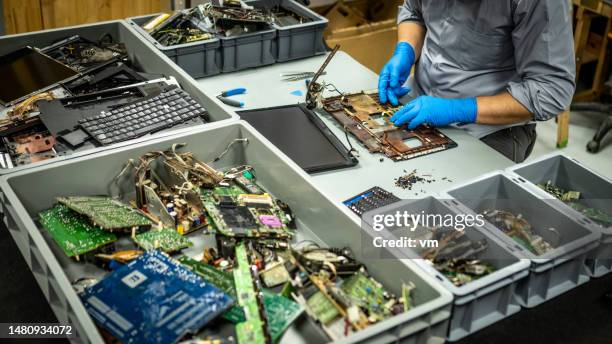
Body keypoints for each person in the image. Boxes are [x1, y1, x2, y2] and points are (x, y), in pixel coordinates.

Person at [378, 0, 576, 163]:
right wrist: (406, 50)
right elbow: (414, 11)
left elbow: (552, 89)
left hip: (489, 127)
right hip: (418, 96)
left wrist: (459, 109)